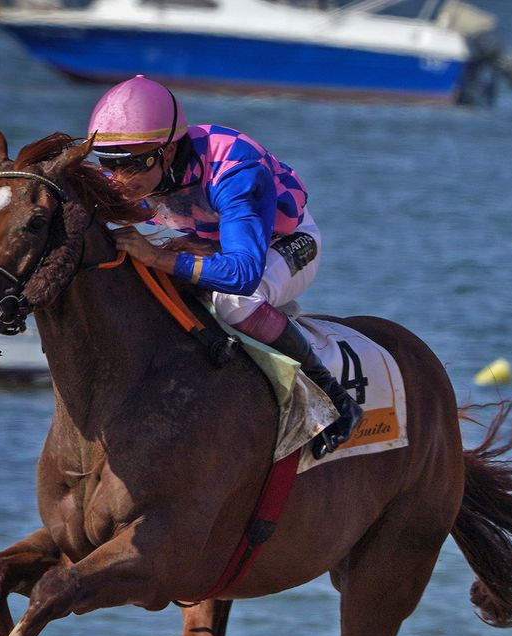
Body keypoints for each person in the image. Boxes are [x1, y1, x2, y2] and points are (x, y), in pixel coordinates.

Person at [86, 74, 360, 458]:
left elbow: (243, 275)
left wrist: (158, 257)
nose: (116, 180)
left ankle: (332, 397)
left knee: (235, 303)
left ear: (165, 154)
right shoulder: (133, 170)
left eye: (129, 166)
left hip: (284, 244)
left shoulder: (235, 168)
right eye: (108, 164)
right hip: (209, 241)